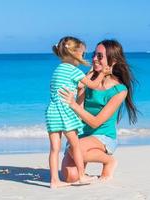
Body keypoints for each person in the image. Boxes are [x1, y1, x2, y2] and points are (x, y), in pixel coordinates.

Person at [59, 39, 138, 183]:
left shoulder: (119, 90)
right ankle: (83, 157)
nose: (94, 59)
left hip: (103, 136)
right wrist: (81, 89)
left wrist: (73, 104)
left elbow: (96, 123)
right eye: (94, 55)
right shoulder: (89, 80)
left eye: (100, 56)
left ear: (112, 60)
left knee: (78, 150)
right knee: (70, 177)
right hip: (82, 134)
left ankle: (109, 161)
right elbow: (79, 110)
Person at [45, 36, 106, 188]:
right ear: (75, 53)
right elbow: (91, 85)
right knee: (75, 145)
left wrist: (85, 78)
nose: (84, 57)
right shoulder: (74, 71)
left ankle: (54, 181)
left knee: (54, 149)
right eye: (83, 54)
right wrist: (103, 73)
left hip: (51, 111)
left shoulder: (58, 69)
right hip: (65, 111)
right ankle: (81, 175)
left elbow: (74, 84)